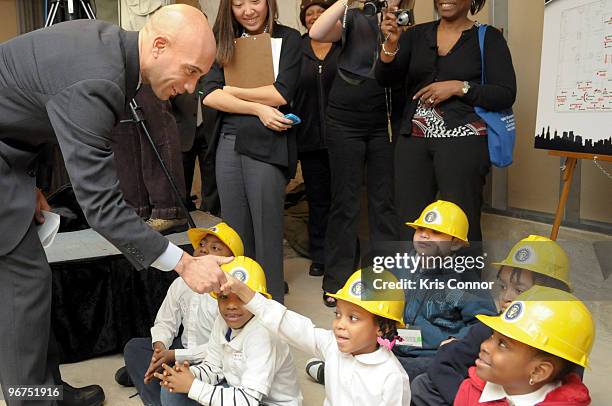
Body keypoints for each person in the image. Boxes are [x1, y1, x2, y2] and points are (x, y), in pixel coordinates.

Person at [0, 5, 228, 405]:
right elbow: (101, 206)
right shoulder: (98, 79)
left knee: (32, 288)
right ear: (159, 46)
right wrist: (185, 263)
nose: (192, 87)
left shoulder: (110, 51)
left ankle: (46, 392)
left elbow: (30, 107)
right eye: (191, 71)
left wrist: (29, 181)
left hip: (10, 156)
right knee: (23, 291)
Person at [376, 0, 516, 242]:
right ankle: (412, 279)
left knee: (461, 220)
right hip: (413, 141)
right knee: (409, 220)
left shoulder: (488, 38)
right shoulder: (416, 35)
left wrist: (460, 87)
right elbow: (385, 79)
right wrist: (391, 42)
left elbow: (505, 93)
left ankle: (463, 279)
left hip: (464, 143)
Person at [201, 0, 302, 302]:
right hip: (228, 142)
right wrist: (258, 108)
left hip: (268, 142)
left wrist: (232, 91)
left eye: (255, 1)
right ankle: (238, 306)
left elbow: (281, 92)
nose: (247, 10)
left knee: (267, 232)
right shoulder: (223, 43)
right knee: (235, 232)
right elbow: (210, 95)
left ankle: (271, 308)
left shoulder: (289, 38)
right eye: (238, 4)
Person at [309, 0, 408, 307]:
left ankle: (384, 281)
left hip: (385, 121)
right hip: (344, 120)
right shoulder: (353, 15)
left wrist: (397, 34)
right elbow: (317, 31)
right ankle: (337, 280)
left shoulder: (406, 21)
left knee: (384, 203)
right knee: (345, 202)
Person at [410, 235, 574, 405]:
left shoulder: (568, 342)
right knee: (422, 385)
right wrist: (469, 399)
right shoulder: (488, 330)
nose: (506, 297)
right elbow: (443, 363)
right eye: (503, 287)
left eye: (519, 290)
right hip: (481, 396)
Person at [221, 268, 412, 405]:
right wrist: (243, 291)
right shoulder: (332, 346)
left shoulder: (392, 377)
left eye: (353, 318)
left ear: (382, 327)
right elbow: (291, 325)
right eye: (338, 314)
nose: (340, 324)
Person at [118, 223, 243, 406]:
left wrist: (176, 356)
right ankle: (157, 396)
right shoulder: (180, 284)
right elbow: (165, 322)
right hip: (182, 349)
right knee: (134, 348)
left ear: (231, 260)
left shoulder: (230, 295)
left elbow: (226, 348)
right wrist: (160, 349)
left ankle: (160, 386)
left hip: (212, 360)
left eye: (214, 248)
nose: (204, 250)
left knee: (174, 385)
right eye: (201, 245)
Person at [156, 257, 302, 406]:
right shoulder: (223, 320)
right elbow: (213, 367)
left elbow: (248, 400)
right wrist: (188, 375)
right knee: (173, 391)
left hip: (261, 401)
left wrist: (193, 386)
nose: (231, 305)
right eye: (224, 297)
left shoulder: (264, 334)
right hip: (237, 390)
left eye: (240, 297)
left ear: (258, 299)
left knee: (195, 392)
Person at [393, 200, 496, 379]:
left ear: (455, 243)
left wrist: (457, 342)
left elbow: (484, 322)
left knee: (402, 375)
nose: (424, 236)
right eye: (420, 230)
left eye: (435, 232)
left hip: (432, 354)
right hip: (396, 342)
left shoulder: (463, 280)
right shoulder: (402, 266)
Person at [454, 286, 593, 405]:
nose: (485, 345)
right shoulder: (469, 391)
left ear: (538, 371)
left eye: (502, 344)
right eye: (492, 337)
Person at [294, 0, 340, 277]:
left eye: (319, 13)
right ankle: (320, 254)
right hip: (308, 137)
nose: (313, 17)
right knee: (318, 199)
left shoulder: (343, 44)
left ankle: (343, 253)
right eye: (308, 14)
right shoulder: (296, 48)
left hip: (343, 136)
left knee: (343, 200)